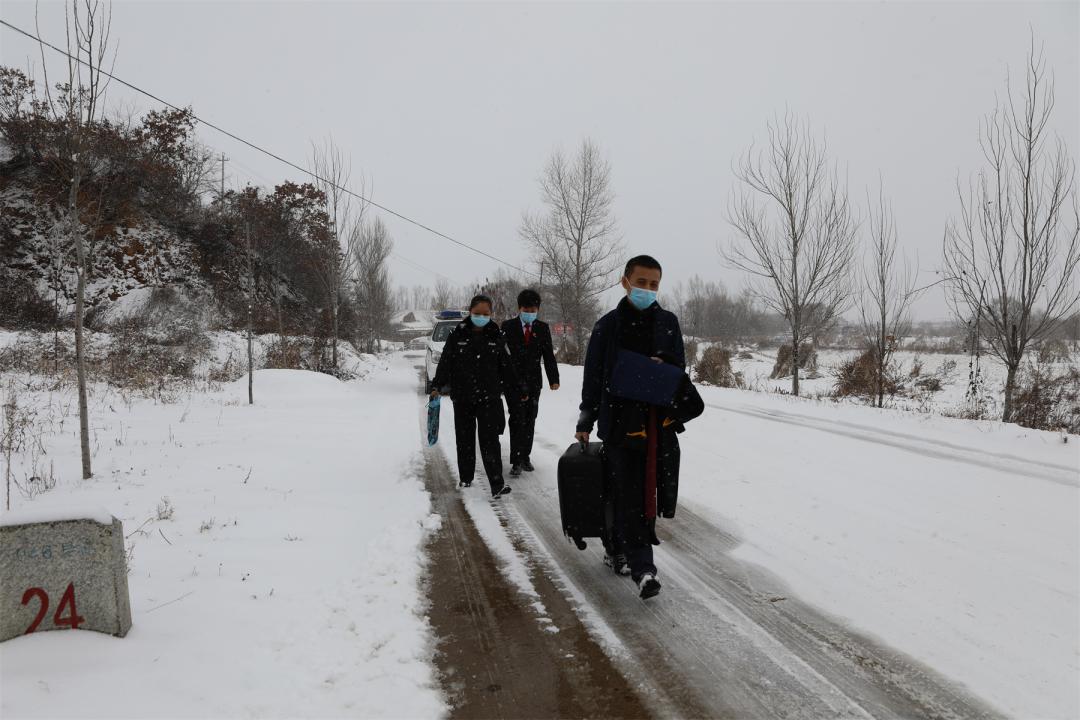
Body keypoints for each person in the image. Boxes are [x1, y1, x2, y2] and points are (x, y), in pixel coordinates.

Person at [574, 255, 685, 599]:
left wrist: (662, 366)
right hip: (620, 425)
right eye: (641, 283)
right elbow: (593, 376)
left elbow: (680, 369)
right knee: (626, 493)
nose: (647, 290)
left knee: (651, 492)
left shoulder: (667, 323)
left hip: (658, 424)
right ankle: (643, 569)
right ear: (624, 282)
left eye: (654, 284)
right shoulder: (607, 326)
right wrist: (585, 418)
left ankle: (620, 547)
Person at [430, 295, 527, 498]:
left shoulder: (496, 335)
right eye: (477, 314)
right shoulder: (457, 334)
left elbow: (507, 367)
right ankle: (466, 477)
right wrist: (436, 385)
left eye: (486, 314)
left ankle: (496, 484)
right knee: (464, 439)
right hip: (463, 397)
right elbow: (446, 361)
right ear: (470, 312)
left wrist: (520, 389)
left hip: (489, 398)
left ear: (491, 314)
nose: (481, 317)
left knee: (490, 441)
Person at [501, 289, 560, 478]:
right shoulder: (508, 326)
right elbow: (504, 356)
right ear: (519, 308)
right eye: (527, 308)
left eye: (533, 309)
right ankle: (516, 460)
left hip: (534, 382)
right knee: (517, 418)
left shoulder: (542, 328)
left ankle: (525, 456)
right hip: (513, 381)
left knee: (530, 418)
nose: (530, 312)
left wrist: (554, 379)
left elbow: (548, 355)